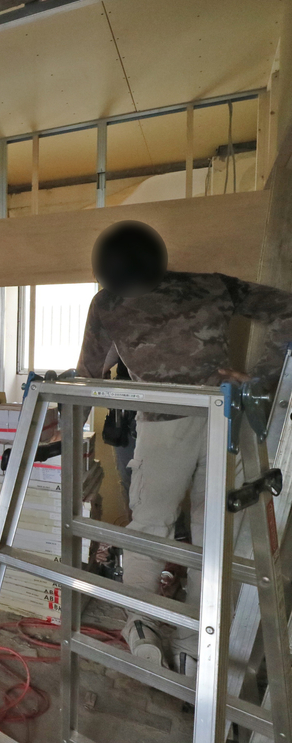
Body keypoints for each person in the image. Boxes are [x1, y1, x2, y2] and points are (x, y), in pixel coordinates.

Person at [76, 220, 292, 675]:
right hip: (224, 419)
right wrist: (260, 381)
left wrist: (66, 426)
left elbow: (88, 376)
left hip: (166, 427)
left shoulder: (108, 303)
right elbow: (285, 308)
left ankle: (143, 627)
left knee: (150, 528)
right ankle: (196, 645)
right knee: (212, 533)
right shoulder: (211, 286)